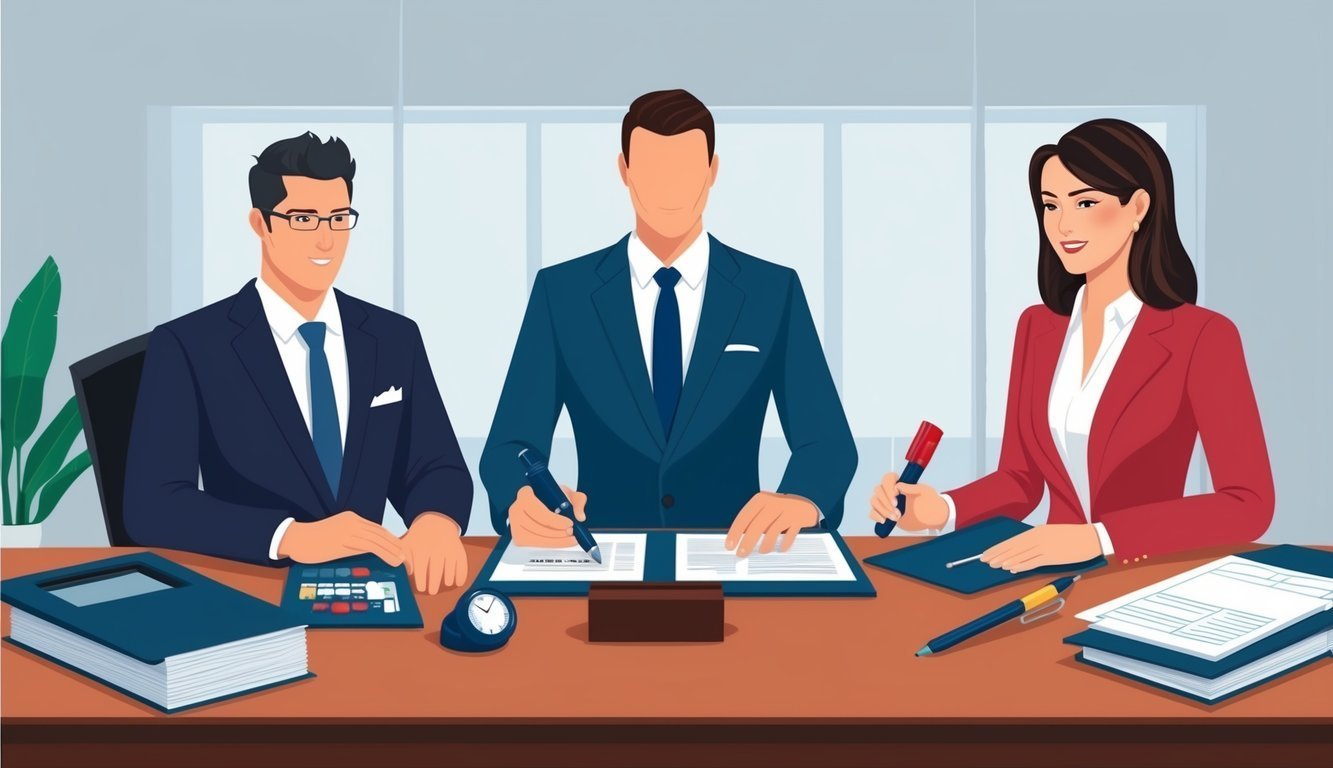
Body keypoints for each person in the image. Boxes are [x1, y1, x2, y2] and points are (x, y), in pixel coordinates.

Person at [871, 118, 1273, 572]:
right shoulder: (1037, 328)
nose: (1062, 225)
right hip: (1045, 574)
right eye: (1050, 205)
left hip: (1143, 574)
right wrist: (941, 508)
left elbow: (1248, 504)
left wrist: (1099, 538)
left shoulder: (1202, 336)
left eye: (1085, 202)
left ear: (1138, 206)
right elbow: (1020, 480)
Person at [481, 89, 856, 557]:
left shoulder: (771, 292)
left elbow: (828, 442)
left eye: (685, 170)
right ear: (625, 170)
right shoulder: (563, 295)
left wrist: (802, 499)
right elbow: (509, 444)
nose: (670, 190)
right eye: (654, 171)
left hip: (736, 555)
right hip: (599, 557)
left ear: (712, 172)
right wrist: (521, 501)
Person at [124, 132, 472, 593]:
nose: (326, 241)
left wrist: (435, 520)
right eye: (304, 219)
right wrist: (289, 536)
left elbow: (435, 463)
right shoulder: (190, 345)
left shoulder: (392, 338)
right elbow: (153, 504)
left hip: (369, 585)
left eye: (338, 218)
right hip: (249, 588)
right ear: (261, 223)